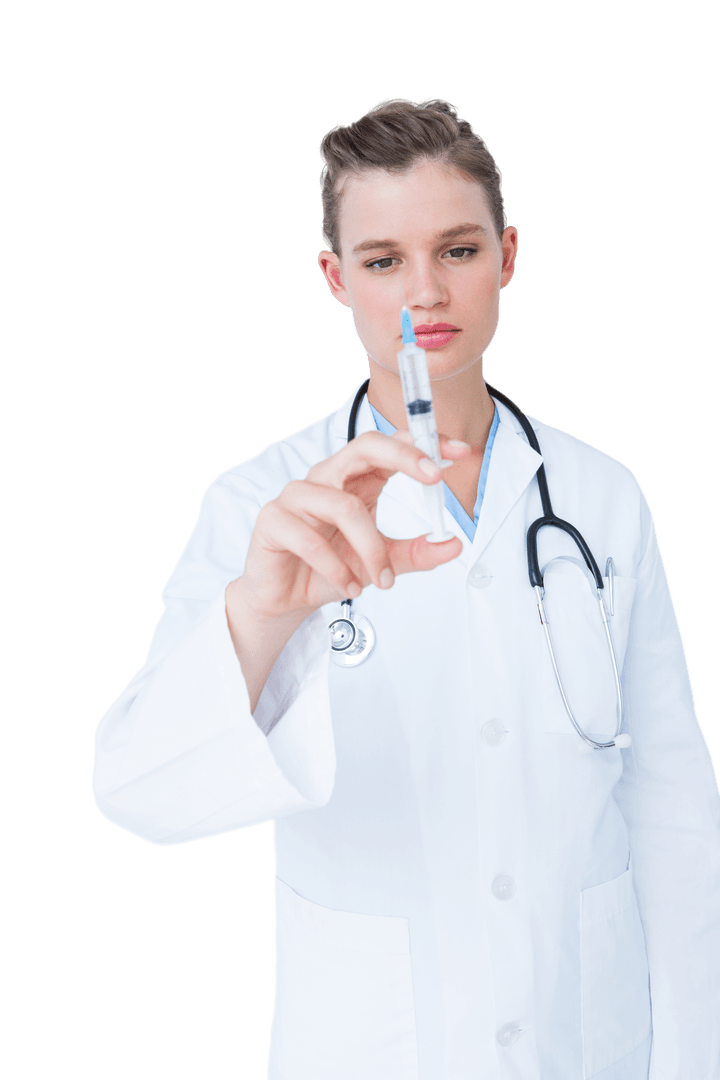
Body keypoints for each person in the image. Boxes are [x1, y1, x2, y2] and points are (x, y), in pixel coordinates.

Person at [92, 98, 720, 1079]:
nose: (425, 292)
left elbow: (674, 803)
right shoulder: (263, 502)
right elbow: (137, 792)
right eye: (384, 261)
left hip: (587, 1040)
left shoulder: (601, 495)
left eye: (457, 250)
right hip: (373, 1045)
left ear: (507, 256)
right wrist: (262, 616)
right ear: (337, 279)